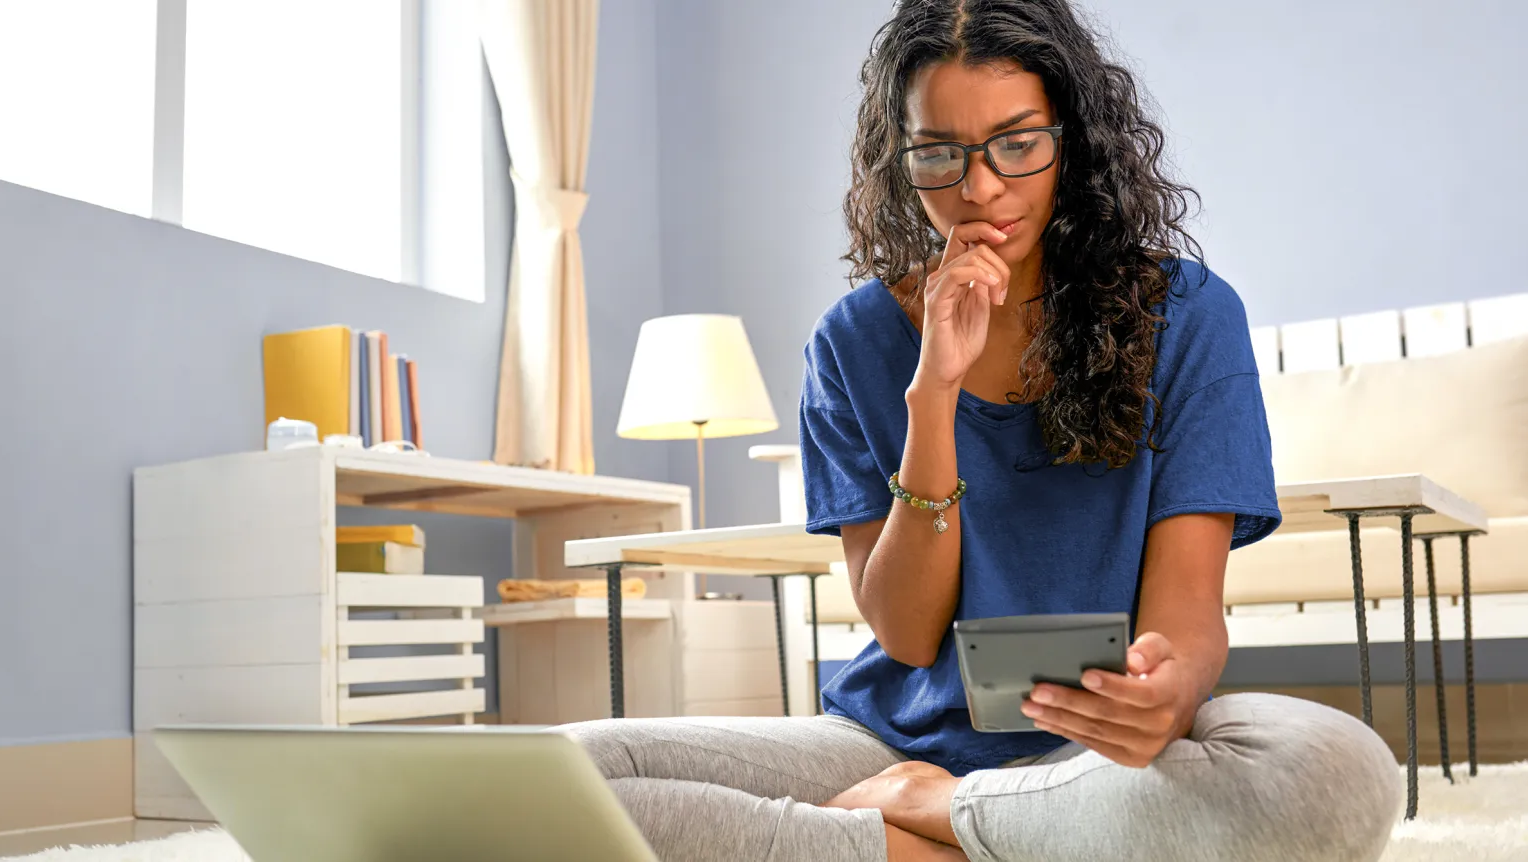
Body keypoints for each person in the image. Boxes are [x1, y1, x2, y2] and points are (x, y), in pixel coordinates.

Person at [558, 1, 1401, 859]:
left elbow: (1187, 616)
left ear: (1073, 137)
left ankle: (941, 817)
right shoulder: (852, 341)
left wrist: (1166, 692)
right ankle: (998, 836)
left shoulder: (1188, 316)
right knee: (579, 770)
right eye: (940, 154)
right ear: (900, 156)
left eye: (1018, 143)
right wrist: (935, 393)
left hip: (1100, 761)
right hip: (893, 741)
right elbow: (907, 633)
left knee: (1333, 769)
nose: (981, 187)